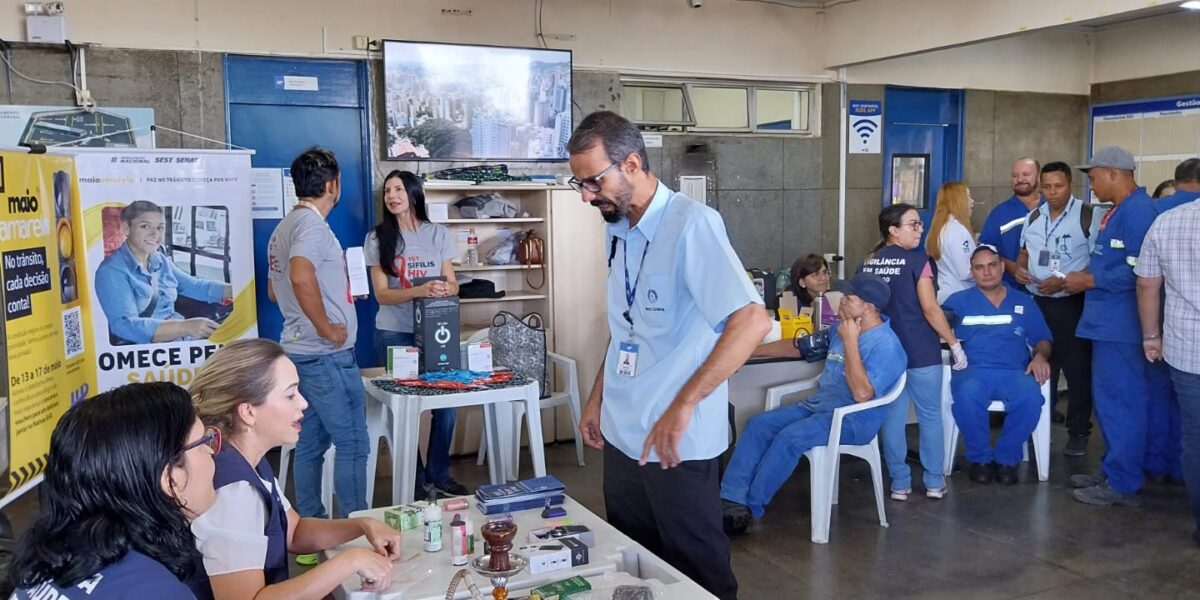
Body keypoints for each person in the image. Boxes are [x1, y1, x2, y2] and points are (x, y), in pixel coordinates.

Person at [567, 111, 770, 600]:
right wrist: (598, 397)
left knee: (697, 570)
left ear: (632, 163)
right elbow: (626, 328)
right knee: (636, 563)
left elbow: (752, 321)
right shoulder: (615, 226)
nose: (586, 196)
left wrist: (683, 404)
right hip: (623, 433)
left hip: (674, 443)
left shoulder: (692, 225)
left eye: (593, 182)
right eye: (578, 184)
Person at [190, 339, 401, 600]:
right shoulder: (234, 493)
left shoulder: (249, 460)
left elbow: (295, 532)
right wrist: (350, 561)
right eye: (290, 395)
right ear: (247, 412)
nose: (303, 403)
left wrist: (362, 524)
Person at [720, 272, 906, 532]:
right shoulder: (840, 330)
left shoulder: (887, 346)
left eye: (848, 298)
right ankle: (730, 499)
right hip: (819, 407)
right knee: (758, 425)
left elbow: (862, 394)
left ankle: (749, 508)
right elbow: (798, 347)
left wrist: (852, 342)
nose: (840, 301)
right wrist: (747, 352)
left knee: (789, 438)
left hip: (852, 419)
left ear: (869, 307)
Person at [10, 382, 218, 599]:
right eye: (204, 441)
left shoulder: (48, 553)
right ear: (170, 478)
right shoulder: (156, 591)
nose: (212, 452)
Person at [266, 147, 370, 523]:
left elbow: (275, 290)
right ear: (333, 185)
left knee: (311, 442)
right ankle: (360, 533)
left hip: (300, 351)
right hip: (325, 354)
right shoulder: (310, 226)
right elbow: (298, 275)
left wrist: (333, 292)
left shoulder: (284, 227)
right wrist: (327, 326)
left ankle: (310, 532)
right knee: (354, 443)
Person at [1065, 146, 1159, 507]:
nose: (1091, 186)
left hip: (1121, 327)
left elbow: (1141, 269)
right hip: (1105, 324)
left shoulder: (1138, 212)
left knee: (1123, 403)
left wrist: (1087, 281)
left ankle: (1122, 481)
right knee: (1109, 404)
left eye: (1093, 178)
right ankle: (1113, 467)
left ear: (1114, 174)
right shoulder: (1118, 211)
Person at [364, 170, 466, 497]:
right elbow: (381, 294)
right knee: (404, 406)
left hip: (435, 330)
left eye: (398, 189)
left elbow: (453, 285)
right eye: (387, 191)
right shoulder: (377, 238)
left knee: (447, 402)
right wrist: (419, 289)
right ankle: (416, 480)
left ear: (413, 194)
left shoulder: (437, 235)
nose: (392, 196)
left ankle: (439, 473)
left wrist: (443, 289)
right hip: (394, 333)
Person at [861, 203, 965, 501]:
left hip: (884, 352)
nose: (920, 230)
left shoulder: (868, 264)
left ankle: (899, 483)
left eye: (920, 224)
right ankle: (934, 482)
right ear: (892, 230)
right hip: (920, 348)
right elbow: (930, 309)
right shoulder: (919, 262)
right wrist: (954, 343)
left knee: (892, 418)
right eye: (913, 225)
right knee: (930, 415)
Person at [943, 245, 1052, 485]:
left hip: (1014, 372)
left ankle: (1006, 458)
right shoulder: (957, 302)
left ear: (1003, 267)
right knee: (967, 397)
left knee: (1031, 398)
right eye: (979, 267)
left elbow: (1042, 338)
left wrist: (1040, 356)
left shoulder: (1024, 301)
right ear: (972, 272)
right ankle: (980, 459)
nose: (987, 272)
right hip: (972, 371)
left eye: (992, 265)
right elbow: (937, 331)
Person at [1016, 161, 1095, 455]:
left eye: (1058, 186)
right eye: (1046, 186)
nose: (1052, 192)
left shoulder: (1087, 216)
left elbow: (1094, 262)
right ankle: (1040, 426)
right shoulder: (1034, 216)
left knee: (1077, 372)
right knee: (1040, 365)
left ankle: (1078, 432)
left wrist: (1063, 282)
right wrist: (1021, 270)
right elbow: (1024, 252)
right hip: (1039, 302)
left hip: (1072, 303)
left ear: (1070, 185)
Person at [1135, 197, 1200, 545]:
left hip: (1188, 350)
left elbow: (1147, 283)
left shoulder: (1167, 222)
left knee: (1196, 436)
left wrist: (1150, 336)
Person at [95, 200, 233, 345]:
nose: (155, 234)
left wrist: (235, 289)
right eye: (145, 226)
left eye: (160, 227)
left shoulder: (159, 260)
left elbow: (194, 286)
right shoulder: (111, 271)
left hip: (181, 339)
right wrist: (184, 327)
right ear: (126, 229)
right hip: (148, 348)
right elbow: (126, 325)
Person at [980, 157, 1043, 292]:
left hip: (1054, 293)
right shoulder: (999, 213)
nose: (1020, 180)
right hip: (1013, 291)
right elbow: (987, 250)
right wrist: (1012, 268)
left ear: (1038, 176)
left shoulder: (1052, 208)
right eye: (1015, 176)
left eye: (1026, 175)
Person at [926, 182, 978, 303]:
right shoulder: (958, 230)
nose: (972, 202)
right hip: (960, 297)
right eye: (968, 197)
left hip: (945, 294)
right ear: (958, 201)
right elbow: (965, 272)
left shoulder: (938, 229)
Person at [791, 254, 842, 330]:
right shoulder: (792, 303)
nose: (823, 278)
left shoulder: (823, 298)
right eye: (816, 274)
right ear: (802, 282)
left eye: (825, 272)